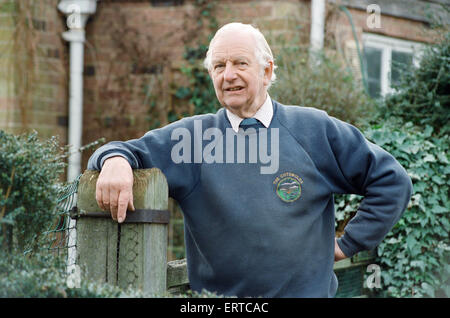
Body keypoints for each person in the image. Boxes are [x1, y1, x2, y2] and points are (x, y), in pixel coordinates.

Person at [87, 22, 412, 297]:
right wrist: (115, 160)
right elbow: (125, 150)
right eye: (219, 66)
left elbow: (391, 181)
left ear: (267, 70)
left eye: (240, 64)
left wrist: (348, 244)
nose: (228, 75)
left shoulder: (315, 130)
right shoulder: (192, 139)